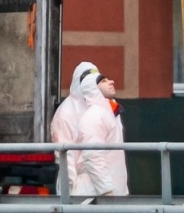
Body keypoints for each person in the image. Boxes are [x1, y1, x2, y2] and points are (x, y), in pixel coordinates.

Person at [51, 62, 129, 196]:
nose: (110, 82)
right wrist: (71, 188)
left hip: (108, 182)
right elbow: (66, 154)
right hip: (88, 185)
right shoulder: (67, 113)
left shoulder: (109, 108)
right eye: (102, 81)